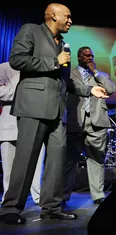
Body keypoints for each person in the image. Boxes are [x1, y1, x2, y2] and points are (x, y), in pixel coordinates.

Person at [0, 3, 108, 225]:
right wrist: (53, 62)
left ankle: (51, 207)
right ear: (52, 15)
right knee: (26, 159)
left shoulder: (63, 44)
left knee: (57, 160)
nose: (70, 21)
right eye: (67, 17)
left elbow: (64, 82)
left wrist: (90, 90)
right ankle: (10, 208)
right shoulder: (31, 30)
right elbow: (17, 59)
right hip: (33, 106)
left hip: (57, 111)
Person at [63, 46, 115, 204]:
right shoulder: (70, 74)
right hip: (75, 121)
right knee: (70, 160)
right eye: (86, 56)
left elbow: (111, 89)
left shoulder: (101, 75)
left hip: (97, 122)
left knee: (96, 159)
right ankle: (64, 195)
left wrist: (96, 73)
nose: (90, 58)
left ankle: (98, 195)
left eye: (91, 56)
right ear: (79, 57)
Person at [0, 62, 45, 205]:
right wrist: (26, 91)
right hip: (9, 124)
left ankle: (38, 196)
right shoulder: (4, 68)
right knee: (9, 167)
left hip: (35, 121)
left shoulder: (37, 67)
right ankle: (9, 198)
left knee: (37, 164)